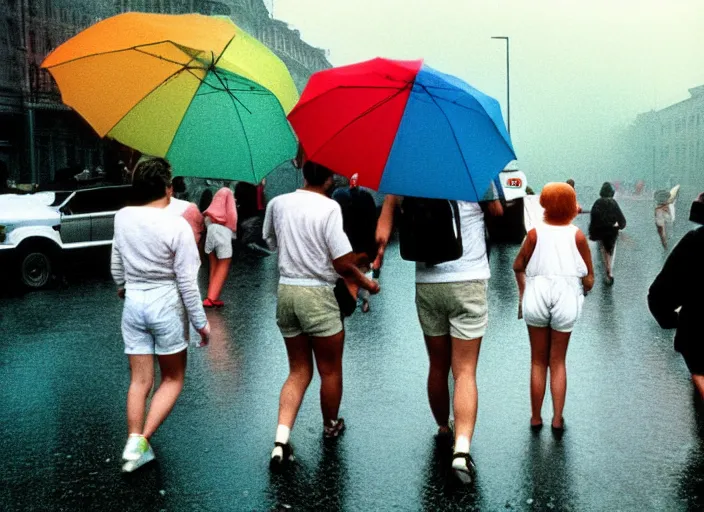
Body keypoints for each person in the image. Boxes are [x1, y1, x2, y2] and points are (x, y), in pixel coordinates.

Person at [374, 191, 503, 484]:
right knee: (465, 371)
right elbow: (496, 212)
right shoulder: (470, 166)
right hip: (468, 276)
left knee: (437, 364)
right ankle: (461, 450)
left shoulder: (410, 174)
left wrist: (379, 253)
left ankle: (444, 428)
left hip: (428, 281)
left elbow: (384, 225)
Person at [263, 162, 379, 469]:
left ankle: (280, 440)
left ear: (304, 174)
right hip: (317, 295)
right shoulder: (329, 209)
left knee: (298, 371)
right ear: (329, 179)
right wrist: (367, 282)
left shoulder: (278, 204)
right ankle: (330, 425)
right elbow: (342, 263)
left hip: (287, 291)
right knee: (329, 370)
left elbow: (271, 242)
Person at [110, 157, 210, 473]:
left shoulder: (122, 217)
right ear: (168, 189)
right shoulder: (177, 225)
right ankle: (141, 440)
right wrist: (201, 324)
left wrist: (123, 285)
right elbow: (187, 283)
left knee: (140, 381)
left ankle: (133, 442)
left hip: (134, 306)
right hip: (166, 307)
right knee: (173, 378)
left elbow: (117, 262)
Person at [513, 183, 594, 436]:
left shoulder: (534, 234)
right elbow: (589, 277)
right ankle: (557, 419)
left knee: (538, 361)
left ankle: (536, 418)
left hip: (536, 294)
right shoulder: (577, 236)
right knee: (557, 362)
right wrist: (584, 287)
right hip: (566, 295)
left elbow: (518, 265)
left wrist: (523, 290)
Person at [648, 193, 704, 398]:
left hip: (699, 327)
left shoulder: (696, 241)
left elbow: (665, 288)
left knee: (700, 370)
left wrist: (671, 318)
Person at [332, 173, 378, 313]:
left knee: (351, 271)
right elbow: (372, 222)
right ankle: (363, 297)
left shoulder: (338, 197)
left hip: (349, 240)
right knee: (363, 269)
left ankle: (354, 296)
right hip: (364, 243)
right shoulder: (366, 197)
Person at [203, 187, 237, 308]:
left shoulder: (211, 212)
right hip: (223, 233)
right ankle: (211, 298)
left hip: (210, 232)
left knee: (213, 264)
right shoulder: (229, 197)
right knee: (224, 263)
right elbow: (232, 217)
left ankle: (212, 295)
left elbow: (206, 221)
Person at [588, 182, 626, 285]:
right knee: (610, 250)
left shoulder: (597, 203)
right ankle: (609, 270)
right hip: (611, 231)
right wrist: (620, 226)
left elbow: (593, 218)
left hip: (600, 230)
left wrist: (593, 231)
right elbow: (621, 218)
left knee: (603, 249)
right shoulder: (613, 203)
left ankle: (606, 268)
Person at [654, 184, 680, 250]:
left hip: (674, 238)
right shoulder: (659, 211)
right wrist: (665, 245)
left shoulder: (671, 207)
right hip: (669, 242)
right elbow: (661, 230)